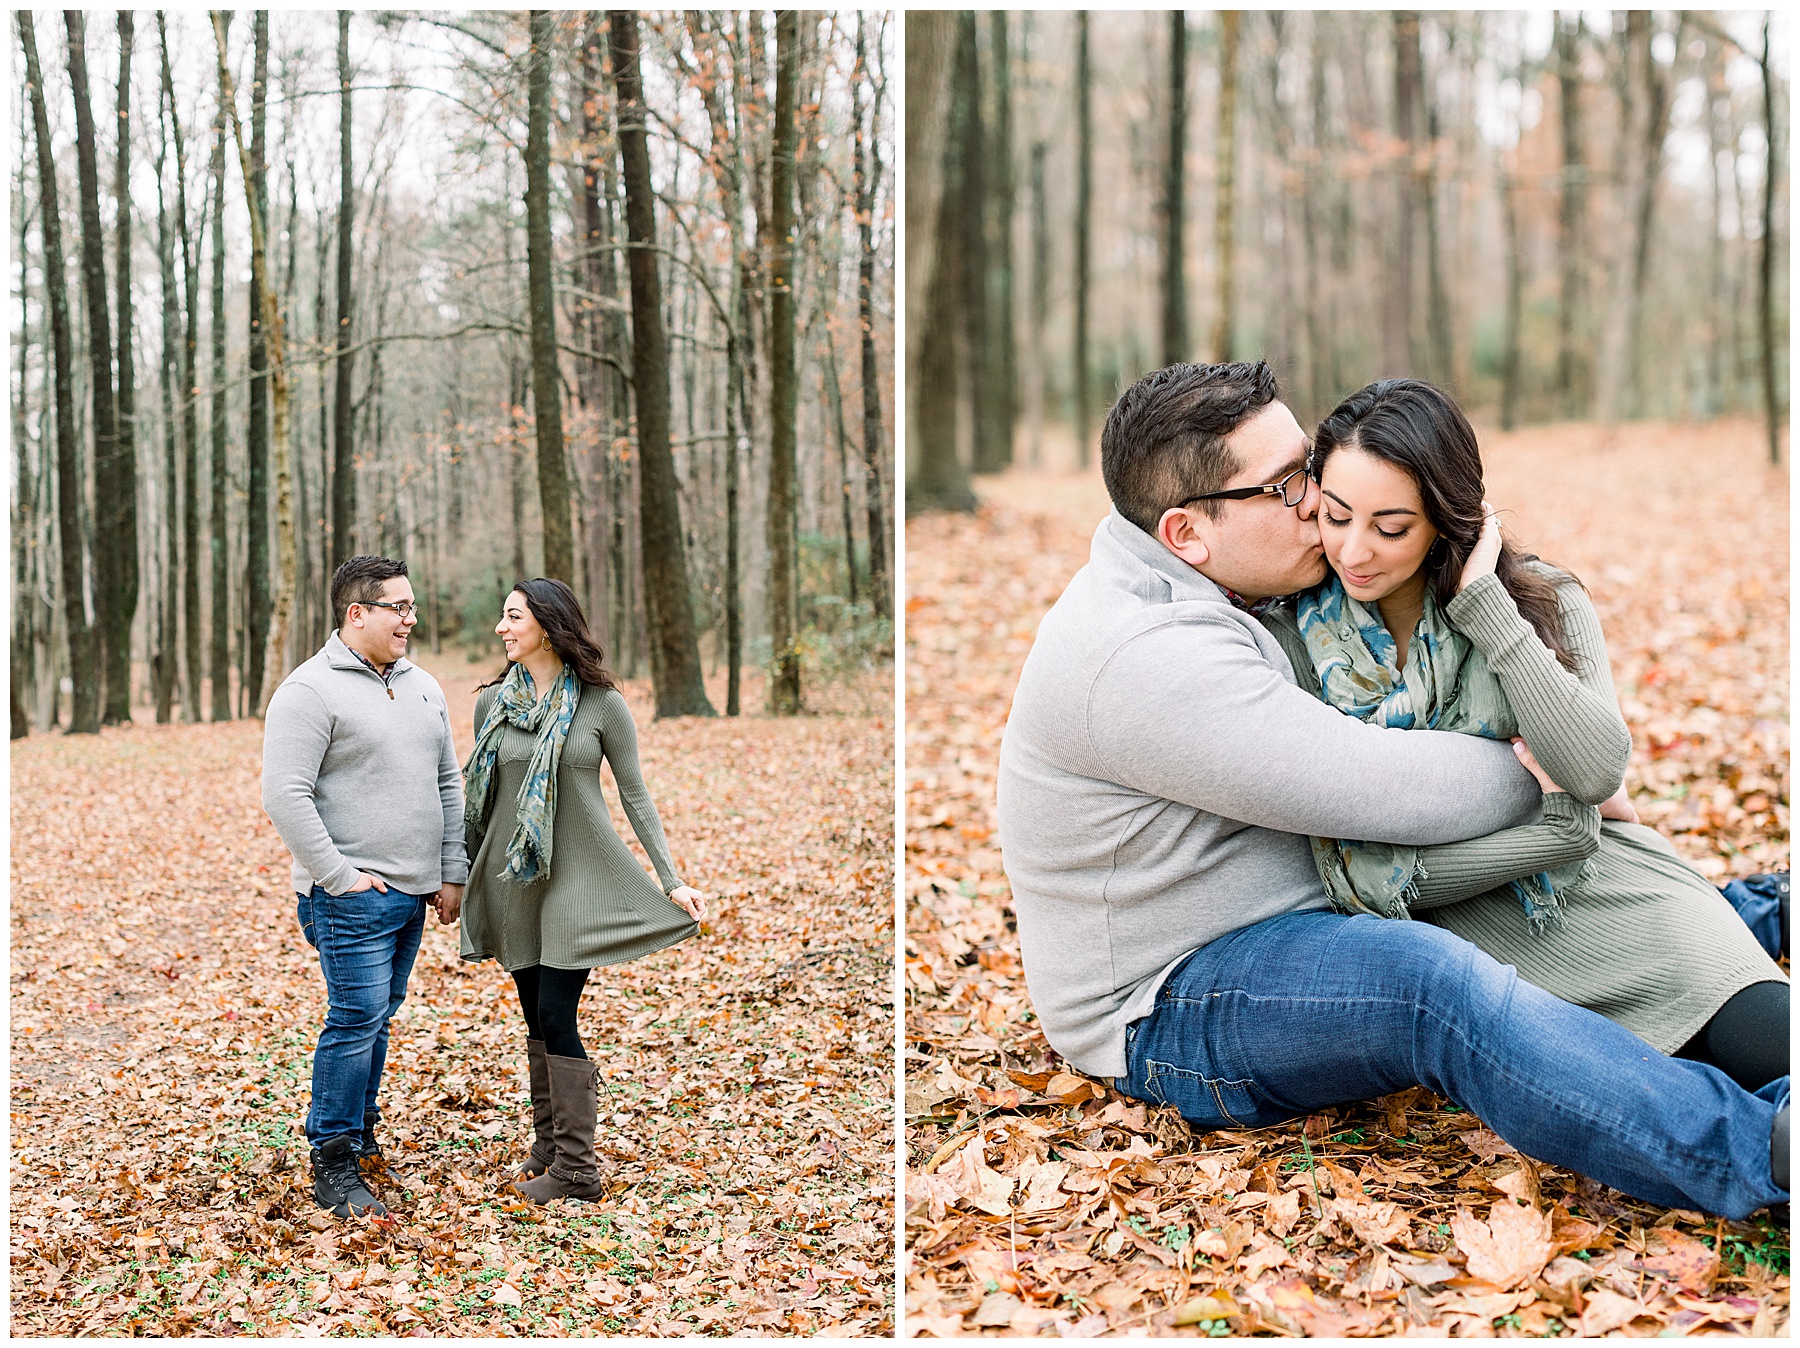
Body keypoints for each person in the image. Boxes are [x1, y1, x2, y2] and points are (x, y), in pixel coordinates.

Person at [995, 360, 1788, 1219]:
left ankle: (1758, 909)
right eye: (1289, 486)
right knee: (1427, 984)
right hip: (1173, 998)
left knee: (1606, 897)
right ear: (1187, 532)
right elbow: (1394, 791)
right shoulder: (1145, 659)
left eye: (1310, 465)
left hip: (1325, 898)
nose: (1316, 503)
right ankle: (1756, 1153)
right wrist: (1562, 780)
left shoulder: (1219, 577)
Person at [1257, 378, 1788, 1092]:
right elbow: (1358, 877)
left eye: (1390, 527)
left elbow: (1596, 772)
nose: (1354, 551)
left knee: (1775, 1048)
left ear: (1447, 520)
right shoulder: (1290, 645)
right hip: (1496, 978)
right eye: (1337, 515)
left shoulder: (1540, 602)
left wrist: (1488, 609)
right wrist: (1557, 832)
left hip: (1626, 911)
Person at [458, 578, 707, 1205]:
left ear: (546, 623)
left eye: (512, 616)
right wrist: (456, 877)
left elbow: (635, 794)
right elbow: (478, 800)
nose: (501, 628)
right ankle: (549, 1145)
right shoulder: (495, 704)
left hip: (577, 877)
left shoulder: (601, 704)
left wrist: (670, 877)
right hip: (515, 879)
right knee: (531, 1016)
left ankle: (577, 1168)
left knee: (554, 1013)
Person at [263, 555, 468, 1219]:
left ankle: (359, 1131)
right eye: (398, 608)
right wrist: (339, 876)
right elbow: (285, 793)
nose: (411, 618)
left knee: (378, 1018)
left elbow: (447, 782)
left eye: (412, 606)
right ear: (358, 614)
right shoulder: (309, 691)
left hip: (413, 894)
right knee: (355, 1020)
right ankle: (334, 1157)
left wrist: (451, 868)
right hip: (349, 897)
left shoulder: (423, 687)